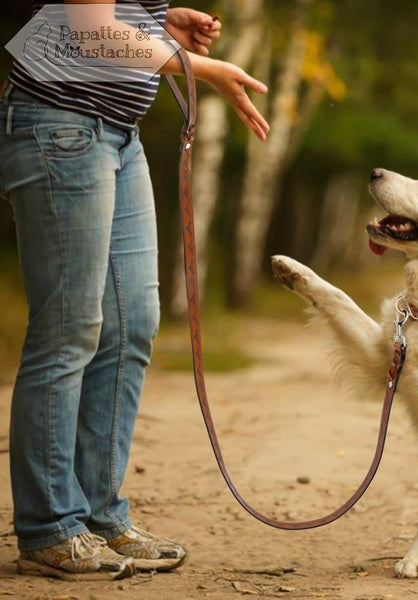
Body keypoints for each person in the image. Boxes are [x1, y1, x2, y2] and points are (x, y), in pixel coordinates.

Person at [0, 0, 269, 581]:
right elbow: (93, 33)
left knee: (132, 321)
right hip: (60, 122)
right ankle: (50, 527)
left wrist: (159, 21)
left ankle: (97, 514)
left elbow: (110, 16)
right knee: (69, 329)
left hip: (117, 135)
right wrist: (200, 69)